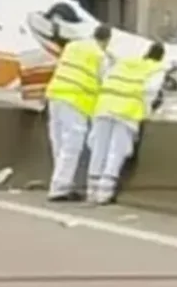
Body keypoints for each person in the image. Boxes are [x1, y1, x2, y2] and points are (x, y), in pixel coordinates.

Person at [86, 41, 167, 206]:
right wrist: (147, 112)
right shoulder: (157, 69)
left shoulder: (125, 62)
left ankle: (91, 189)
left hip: (104, 105)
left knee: (99, 148)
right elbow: (149, 91)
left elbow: (106, 77)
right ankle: (104, 193)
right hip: (127, 111)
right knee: (117, 151)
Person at [44, 24, 112, 202]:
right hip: (76, 101)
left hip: (55, 95)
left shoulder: (72, 46)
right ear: (106, 41)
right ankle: (59, 188)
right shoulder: (100, 56)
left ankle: (61, 183)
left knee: (58, 142)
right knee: (72, 145)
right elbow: (105, 82)